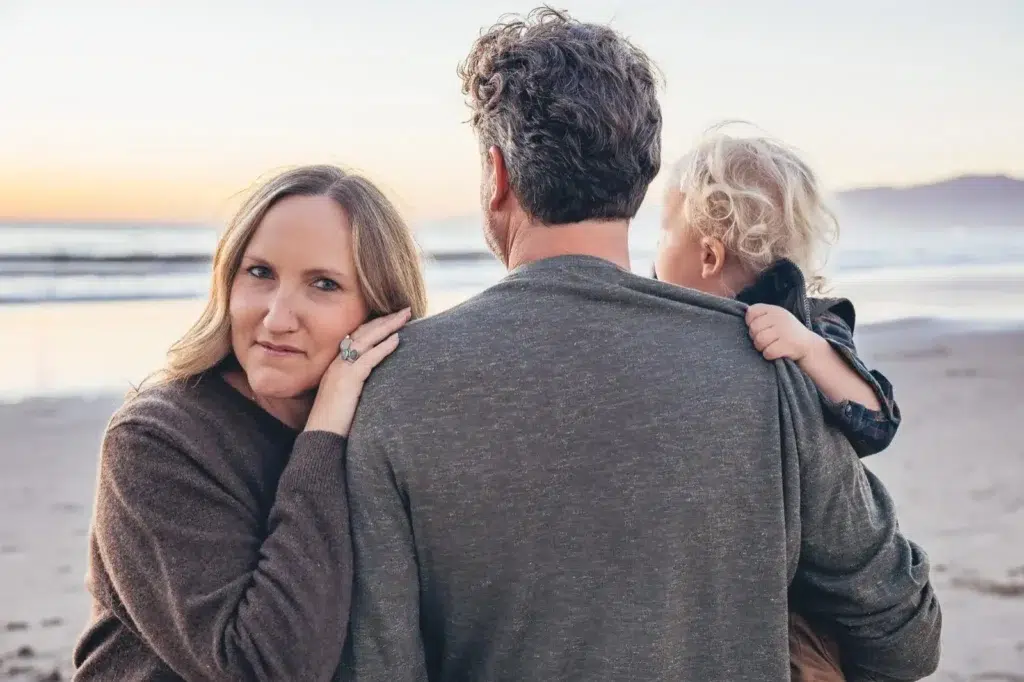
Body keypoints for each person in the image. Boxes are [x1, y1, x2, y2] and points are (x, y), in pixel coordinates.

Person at [338, 8, 940, 682]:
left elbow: (377, 663)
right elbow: (905, 635)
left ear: (497, 174)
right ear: (642, 178)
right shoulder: (769, 372)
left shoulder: (394, 387)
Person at [73, 165, 427, 681]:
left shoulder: (389, 438)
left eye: (324, 284)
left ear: (380, 310)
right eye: (259, 272)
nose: (278, 317)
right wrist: (322, 436)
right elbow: (266, 668)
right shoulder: (155, 440)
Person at [653, 128, 903, 680]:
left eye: (663, 232)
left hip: (798, 564)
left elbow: (878, 421)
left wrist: (811, 349)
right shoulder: (667, 326)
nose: (654, 251)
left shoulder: (814, 325)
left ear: (710, 254)